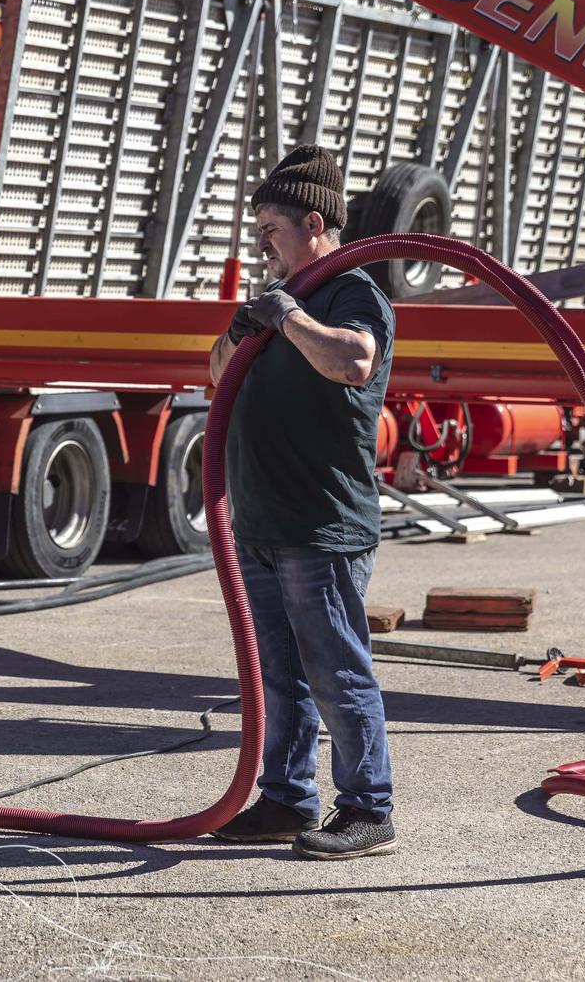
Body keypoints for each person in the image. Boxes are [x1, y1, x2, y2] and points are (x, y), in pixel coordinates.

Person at [206, 143, 399, 860]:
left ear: (314, 221)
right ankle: (287, 796)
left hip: (321, 528)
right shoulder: (279, 301)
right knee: (276, 674)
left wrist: (286, 315)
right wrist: (236, 333)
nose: (263, 244)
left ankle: (368, 806)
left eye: (272, 231)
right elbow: (217, 377)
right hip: (261, 520)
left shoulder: (352, 293)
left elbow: (352, 360)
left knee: (335, 668)